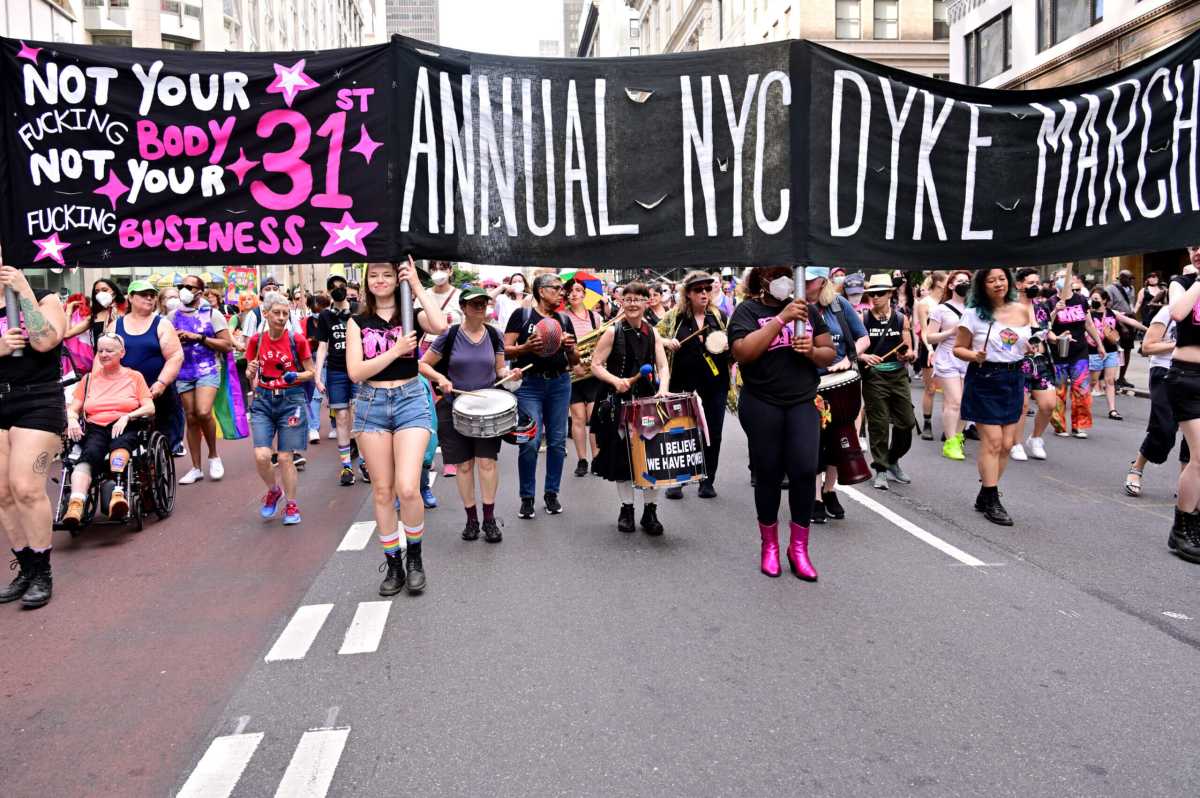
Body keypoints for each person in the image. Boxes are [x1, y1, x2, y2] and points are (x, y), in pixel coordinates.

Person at [346, 260, 448, 596]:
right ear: (366, 281)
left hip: (410, 401)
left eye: (387, 274)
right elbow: (356, 372)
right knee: (382, 491)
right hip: (371, 404)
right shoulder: (357, 321)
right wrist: (395, 351)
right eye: (374, 275)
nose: (380, 280)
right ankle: (393, 564)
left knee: (408, 487)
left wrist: (416, 285)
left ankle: (415, 559)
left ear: (397, 278)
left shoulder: (411, 315)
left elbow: (440, 325)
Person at [729, 266, 836, 581]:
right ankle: (770, 546)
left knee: (804, 470)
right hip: (762, 401)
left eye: (787, 274)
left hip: (802, 400)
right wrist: (781, 320)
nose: (783, 280)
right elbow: (743, 353)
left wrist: (812, 351)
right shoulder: (747, 311)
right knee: (769, 474)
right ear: (762, 280)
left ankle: (799, 549)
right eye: (775, 275)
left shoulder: (807, 310)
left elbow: (829, 353)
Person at [421, 286, 517, 543]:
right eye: (475, 303)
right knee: (464, 466)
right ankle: (471, 519)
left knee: (487, 463)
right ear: (463, 308)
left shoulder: (494, 335)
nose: (481, 307)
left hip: (487, 409)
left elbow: (499, 370)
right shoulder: (450, 335)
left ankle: (489, 519)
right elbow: (423, 364)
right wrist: (440, 378)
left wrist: (510, 374)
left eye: (484, 303)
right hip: (455, 406)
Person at [0, 266, 68, 609]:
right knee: (2, 493)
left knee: (26, 487)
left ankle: (43, 572)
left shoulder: (45, 297)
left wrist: (23, 290)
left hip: (38, 399)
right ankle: (25, 568)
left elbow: (45, 341)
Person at [954, 268, 1034, 526]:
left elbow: (1022, 343)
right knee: (993, 442)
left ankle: (985, 493)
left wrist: (1030, 347)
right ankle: (992, 499)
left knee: (1008, 444)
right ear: (982, 285)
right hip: (984, 379)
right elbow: (958, 349)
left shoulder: (1022, 310)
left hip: (1014, 378)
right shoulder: (973, 314)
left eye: (1002, 279)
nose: (998, 284)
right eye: (991, 280)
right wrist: (974, 355)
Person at [589, 282, 671, 534]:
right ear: (621, 302)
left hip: (647, 401)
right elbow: (595, 364)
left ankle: (650, 512)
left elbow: (663, 366)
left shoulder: (652, 333)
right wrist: (616, 381)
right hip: (618, 403)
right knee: (622, 458)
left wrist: (663, 389)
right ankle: (627, 510)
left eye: (638, 299)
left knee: (652, 458)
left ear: (647, 302)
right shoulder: (612, 332)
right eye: (628, 299)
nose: (633, 303)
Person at [503, 273, 580, 520]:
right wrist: (525, 348)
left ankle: (551, 494)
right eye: (556, 288)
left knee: (557, 442)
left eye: (562, 288)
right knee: (530, 441)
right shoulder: (522, 316)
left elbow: (575, 361)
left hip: (560, 383)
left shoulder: (564, 319)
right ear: (541, 291)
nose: (562, 292)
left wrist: (570, 348)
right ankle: (527, 497)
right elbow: (504, 350)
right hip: (529, 386)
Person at [62, 333, 156, 525]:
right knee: (89, 453)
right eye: (100, 351)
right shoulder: (88, 379)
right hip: (96, 427)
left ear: (122, 353)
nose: (104, 354)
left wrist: (128, 416)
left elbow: (149, 407)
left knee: (121, 444)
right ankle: (76, 504)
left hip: (126, 424)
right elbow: (74, 408)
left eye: (109, 351)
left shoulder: (134, 376)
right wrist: (72, 420)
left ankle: (118, 494)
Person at [245, 294, 316, 526]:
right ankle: (274, 490)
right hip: (263, 400)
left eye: (285, 313)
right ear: (265, 314)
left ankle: (291, 504)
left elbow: (311, 372)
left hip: (291, 400)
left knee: (286, 457)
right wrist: (250, 371)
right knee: (262, 455)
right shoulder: (256, 341)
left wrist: (296, 375)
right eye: (276, 313)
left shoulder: (297, 340)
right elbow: (249, 372)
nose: (281, 317)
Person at [659, 271, 732, 500]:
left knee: (713, 433)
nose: (704, 293)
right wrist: (667, 341)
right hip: (682, 383)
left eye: (707, 289)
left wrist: (728, 346)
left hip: (715, 383)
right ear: (688, 294)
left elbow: (733, 342)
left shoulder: (719, 316)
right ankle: (679, 480)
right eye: (698, 290)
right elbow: (653, 335)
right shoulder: (675, 317)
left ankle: (707, 480)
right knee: (681, 432)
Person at [808, 267, 868, 522]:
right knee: (813, 441)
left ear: (822, 281)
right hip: (810, 383)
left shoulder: (838, 304)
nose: (805, 284)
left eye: (810, 280)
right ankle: (815, 497)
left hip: (840, 383)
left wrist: (848, 358)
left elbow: (863, 338)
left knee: (839, 437)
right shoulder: (797, 307)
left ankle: (829, 490)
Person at [170, 273, 234, 485]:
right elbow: (164, 342)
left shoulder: (212, 314)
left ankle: (214, 456)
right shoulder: (172, 316)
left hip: (208, 369)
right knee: (191, 417)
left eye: (189, 287)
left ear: (200, 291)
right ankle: (196, 468)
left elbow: (227, 345)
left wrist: (199, 337)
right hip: (183, 371)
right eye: (181, 286)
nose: (184, 290)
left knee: (203, 412)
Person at [858, 274, 917, 490]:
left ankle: (892, 459)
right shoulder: (863, 318)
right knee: (879, 424)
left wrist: (908, 355)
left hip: (898, 375)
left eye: (880, 293)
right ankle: (881, 469)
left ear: (890, 294)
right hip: (874, 376)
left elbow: (909, 350)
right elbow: (854, 348)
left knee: (907, 422)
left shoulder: (901, 318)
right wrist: (864, 357)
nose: (875, 297)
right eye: (872, 294)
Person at [1125, 303, 1187, 497]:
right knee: (1164, 428)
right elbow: (1147, 346)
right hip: (1165, 370)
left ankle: (1186, 481)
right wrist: (1178, 344)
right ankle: (1137, 466)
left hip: (1195, 373)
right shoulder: (1169, 311)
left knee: (1194, 433)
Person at [115, 280, 184, 455]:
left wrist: (162, 383)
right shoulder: (116, 325)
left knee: (165, 438)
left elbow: (175, 356)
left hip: (158, 388)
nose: (149, 298)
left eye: (152, 295)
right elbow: (103, 357)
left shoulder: (162, 324)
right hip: (126, 390)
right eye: (143, 294)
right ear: (130, 297)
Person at [316, 274, 368, 486]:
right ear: (329, 292)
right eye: (334, 287)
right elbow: (322, 346)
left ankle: (365, 462)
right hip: (336, 372)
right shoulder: (325, 316)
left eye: (342, 286)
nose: (338, 289)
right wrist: (318, 375)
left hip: (358, 369)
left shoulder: (358, 310)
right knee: (342, 417)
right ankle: (346, 466)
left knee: (359, 414)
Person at [1166, 247, 1200, 561]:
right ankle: (1181, 529)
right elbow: (1177, 313)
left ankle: (1194, 524)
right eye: (1193, 247)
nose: (1198, 252)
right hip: (1187, 377)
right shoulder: (1181, 283)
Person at [1049, 274, 1105, 439]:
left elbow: (1089, 324)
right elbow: (1045, 326)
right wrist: (1055, 311)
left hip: (1079, 352)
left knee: (1081, 390)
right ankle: (1059, 425)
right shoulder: (1050, 302)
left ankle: (1079, 425)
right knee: (1059, 391)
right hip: (1058, 352)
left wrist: (1099, 344)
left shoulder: (1081, 300)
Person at [1011, 269, 1056, 461]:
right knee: (1021, 405)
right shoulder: (1010, 308)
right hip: (1018, 363)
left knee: (1049, 405)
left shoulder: (1041, 308)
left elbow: (1047, 332)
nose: (1035, 286)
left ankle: (1036, 438)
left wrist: (1058, 338)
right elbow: (1002, 335)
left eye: (1037, 283)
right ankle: (1016, 443)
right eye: (1030, 283)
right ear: (1019, 285)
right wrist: (1020, 344)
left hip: (1041, 362)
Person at [927, 270, 971, 459]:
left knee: (966, 403)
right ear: (951, 285)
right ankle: (950, 442)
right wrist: (951, 332)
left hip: (968, 358)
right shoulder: (941, 309)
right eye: (960, 281)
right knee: (955, 401)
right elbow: (929, 336)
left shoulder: (974, 309)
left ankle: (958, 436)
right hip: (947, 358)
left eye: (967, 281)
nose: (964, 284)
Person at [564, 279, 603, 477]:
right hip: (572, 374)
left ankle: (597, 458)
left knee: (593, 417)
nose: (574, 294)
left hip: (592, 374)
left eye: (578, 290)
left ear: (584, 294)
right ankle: (582, 459)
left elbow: (602, 342)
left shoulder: (595, 317)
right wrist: (574, 364)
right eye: (570, 290)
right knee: (578, 418)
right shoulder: (562, 317)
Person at [1087, 287, 1145, 421]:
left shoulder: (1112, 313)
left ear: (1104, 300)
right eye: (1092, 298)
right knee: (1093, 381)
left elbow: (1130, 321)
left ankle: (1112, 410)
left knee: (1110, 381)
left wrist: (1147, 329)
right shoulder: (1088, 314)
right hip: (1094, 351)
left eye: (1096, 299)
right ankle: (1083, 405)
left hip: (1111, 351)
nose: (1093, 301)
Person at [915, 271, 947, 440]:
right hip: (930, 346)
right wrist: (929, 349)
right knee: (931, 388)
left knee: (949, 390)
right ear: (939, 283)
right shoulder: (924, 303)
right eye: (947, 280)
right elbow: (924, 330)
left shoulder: (949, 301)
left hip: (948, 346)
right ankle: (927, 424)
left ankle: (949, 427)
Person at [65, 278, 124, 356]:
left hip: (124, 358)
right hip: (100, 359)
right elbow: (67, 334)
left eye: (104, 290)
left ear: (114, 292)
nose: (100, 294)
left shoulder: (126, 313)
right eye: (97, 291)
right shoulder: (94, 316)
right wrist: (69, 311)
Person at [305, 293, 331, 443]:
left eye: (321, 309)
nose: (318, 312)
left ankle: (335, 426)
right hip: (315, 361)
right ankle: (313, 428)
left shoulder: (332, 319)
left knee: (334, 397)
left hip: (333, 361)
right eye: (315, 309)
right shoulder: (307, 322)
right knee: (315, 396)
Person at [1105, 269, 1138, 390]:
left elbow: (1131, 304)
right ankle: (1111, 379)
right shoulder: (1110, 289)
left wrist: (1133, 321)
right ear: (1122, 277)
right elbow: (1109, 309)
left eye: (1132, 278)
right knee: (1115, 351)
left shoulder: (1131, 288)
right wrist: (1122, 326)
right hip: (1116, 322)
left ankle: (1122, 378)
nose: (1132, 281)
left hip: (1128, 320)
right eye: (1130, 278)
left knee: (1127, 349)